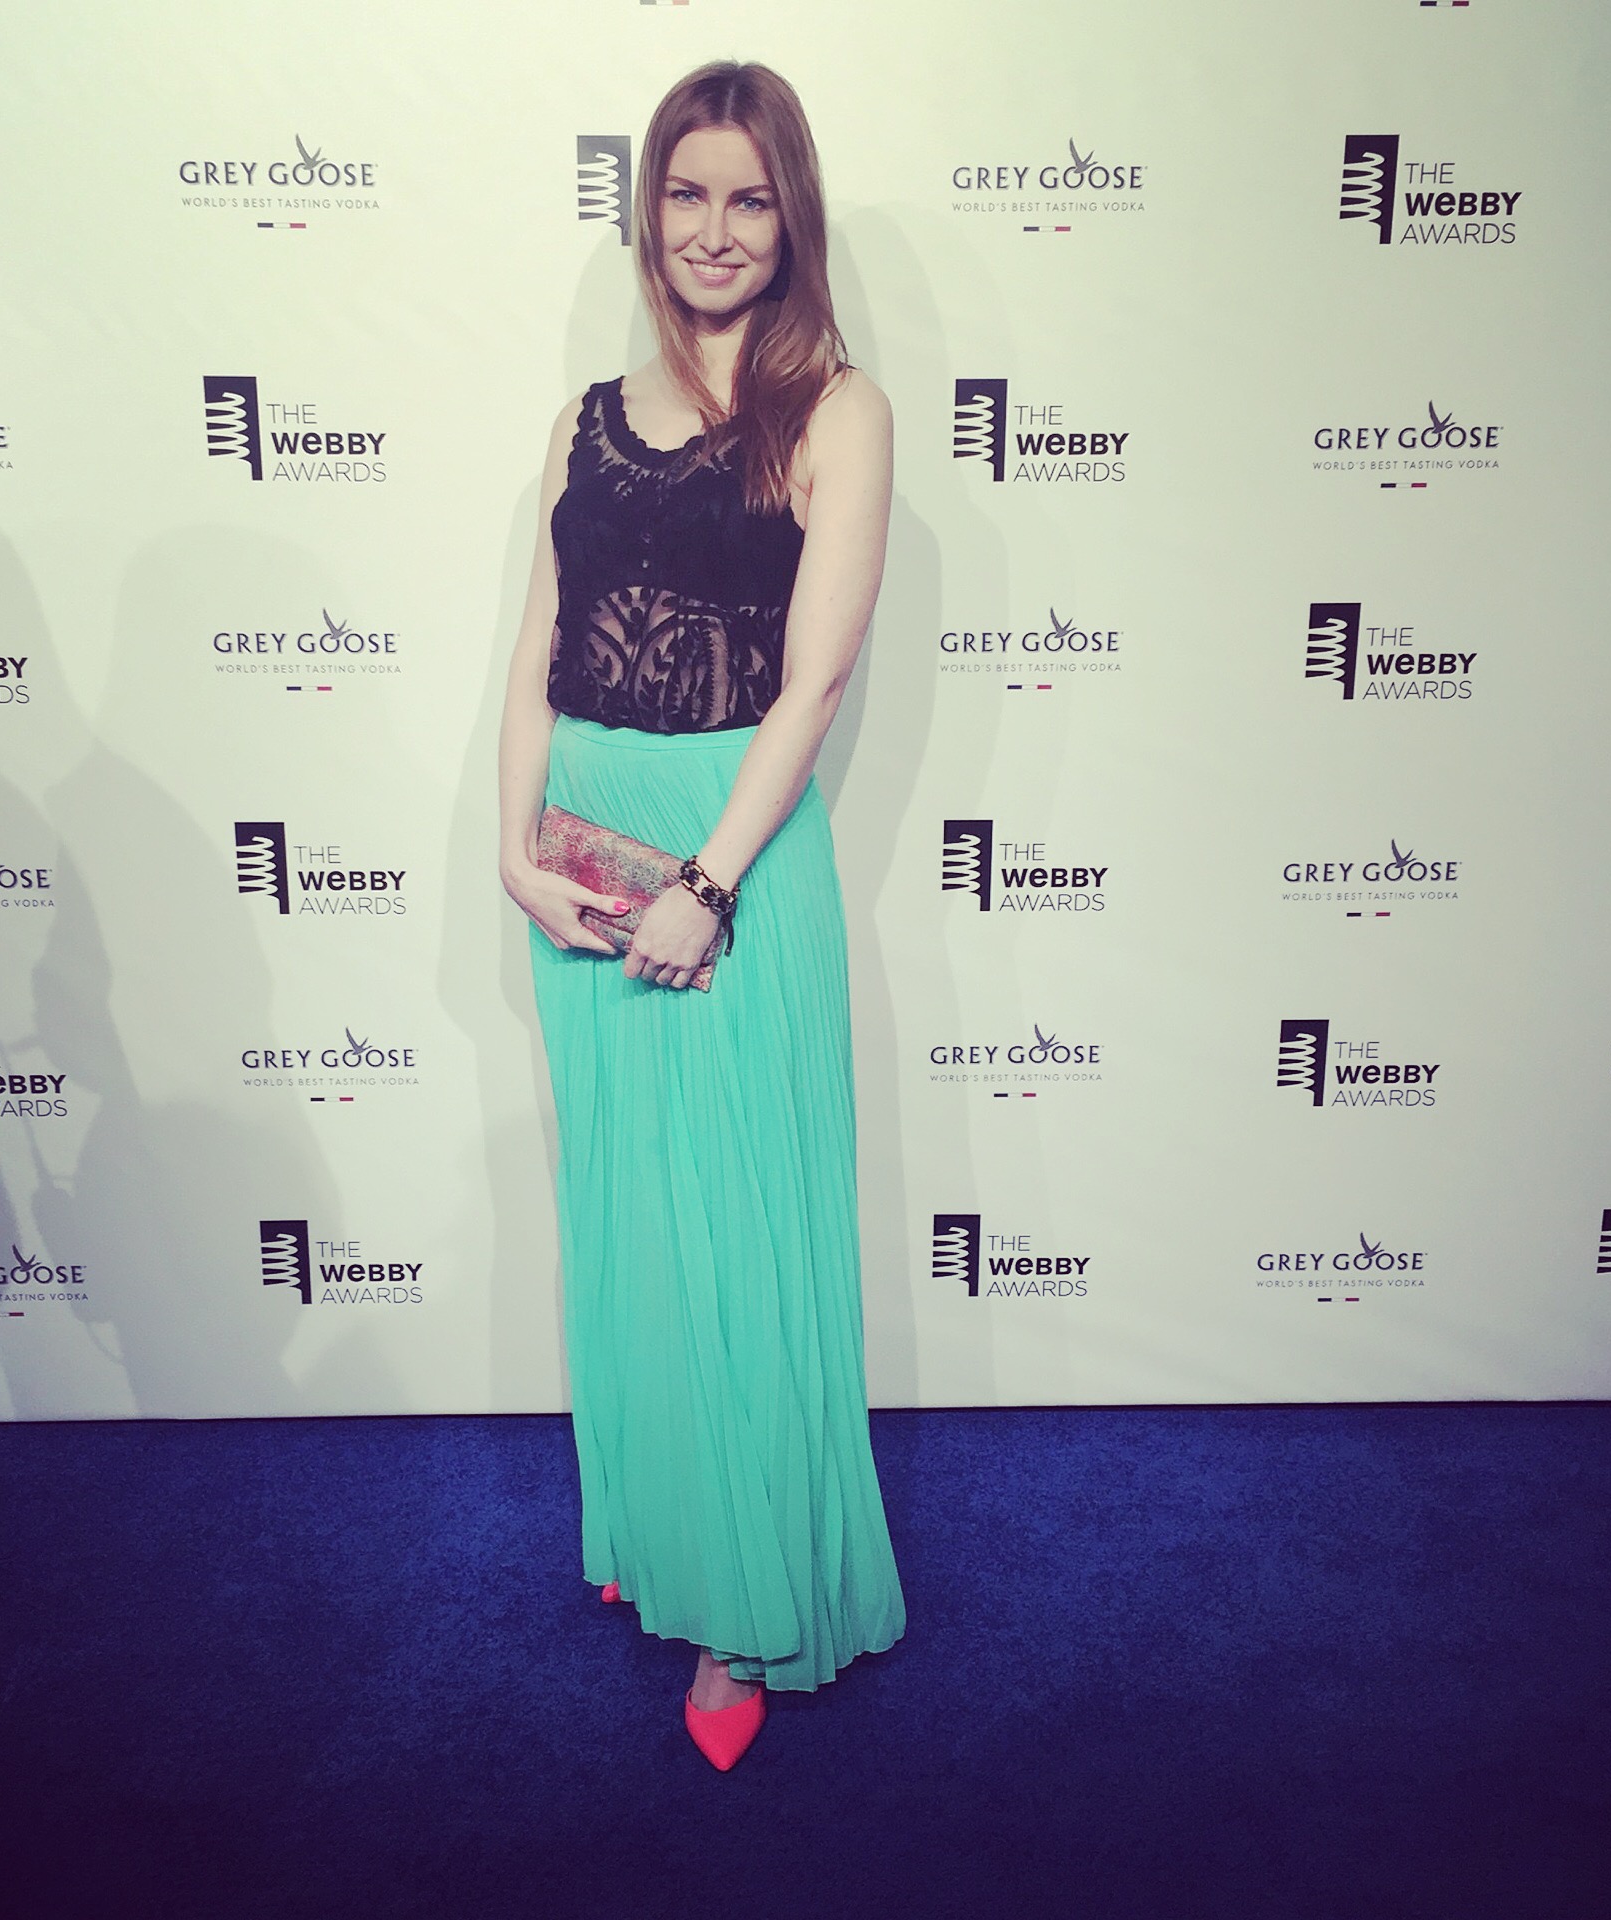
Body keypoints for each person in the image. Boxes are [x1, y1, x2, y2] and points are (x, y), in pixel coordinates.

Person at [496, 59, 905, 1770]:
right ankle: (660, 1523)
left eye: (750, 198)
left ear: (789, 217)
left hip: (734, 854)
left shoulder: (839, 412)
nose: (716, 230)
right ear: (647, 207)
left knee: (740, 1228)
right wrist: (512, 845)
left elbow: (814, 688)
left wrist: (709, 884)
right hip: (587, 852)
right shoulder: (584, 416)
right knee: (633, 1224)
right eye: (686, 193)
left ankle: (746, 1612)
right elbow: (540, 639)